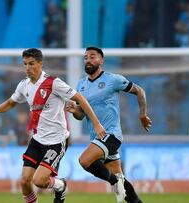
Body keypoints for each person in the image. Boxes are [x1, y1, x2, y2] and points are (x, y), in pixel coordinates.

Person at [0, 48, 105, 203]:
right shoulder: (23, 85)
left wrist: (96, 124)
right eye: (25, 64)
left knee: (39, 181)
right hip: (37, 140)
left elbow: (80, 98)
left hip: (56, 142)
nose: (27, 68)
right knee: (24, 181)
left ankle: (60, 185)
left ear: (40, 63)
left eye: (31, 63)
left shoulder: (54, 83)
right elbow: (11, 102)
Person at [66, 46, 152, 203]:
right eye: (85, 58)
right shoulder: (80, 85)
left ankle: (113, 182)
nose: (88, 60)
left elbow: (140, 91)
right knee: (122, 182)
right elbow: (81, 116)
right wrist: (74, 110)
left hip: (111, 134)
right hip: (96, 138)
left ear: (101, 60)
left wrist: (143, 114)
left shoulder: (113, 79)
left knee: (84, 161)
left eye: (92, 57)